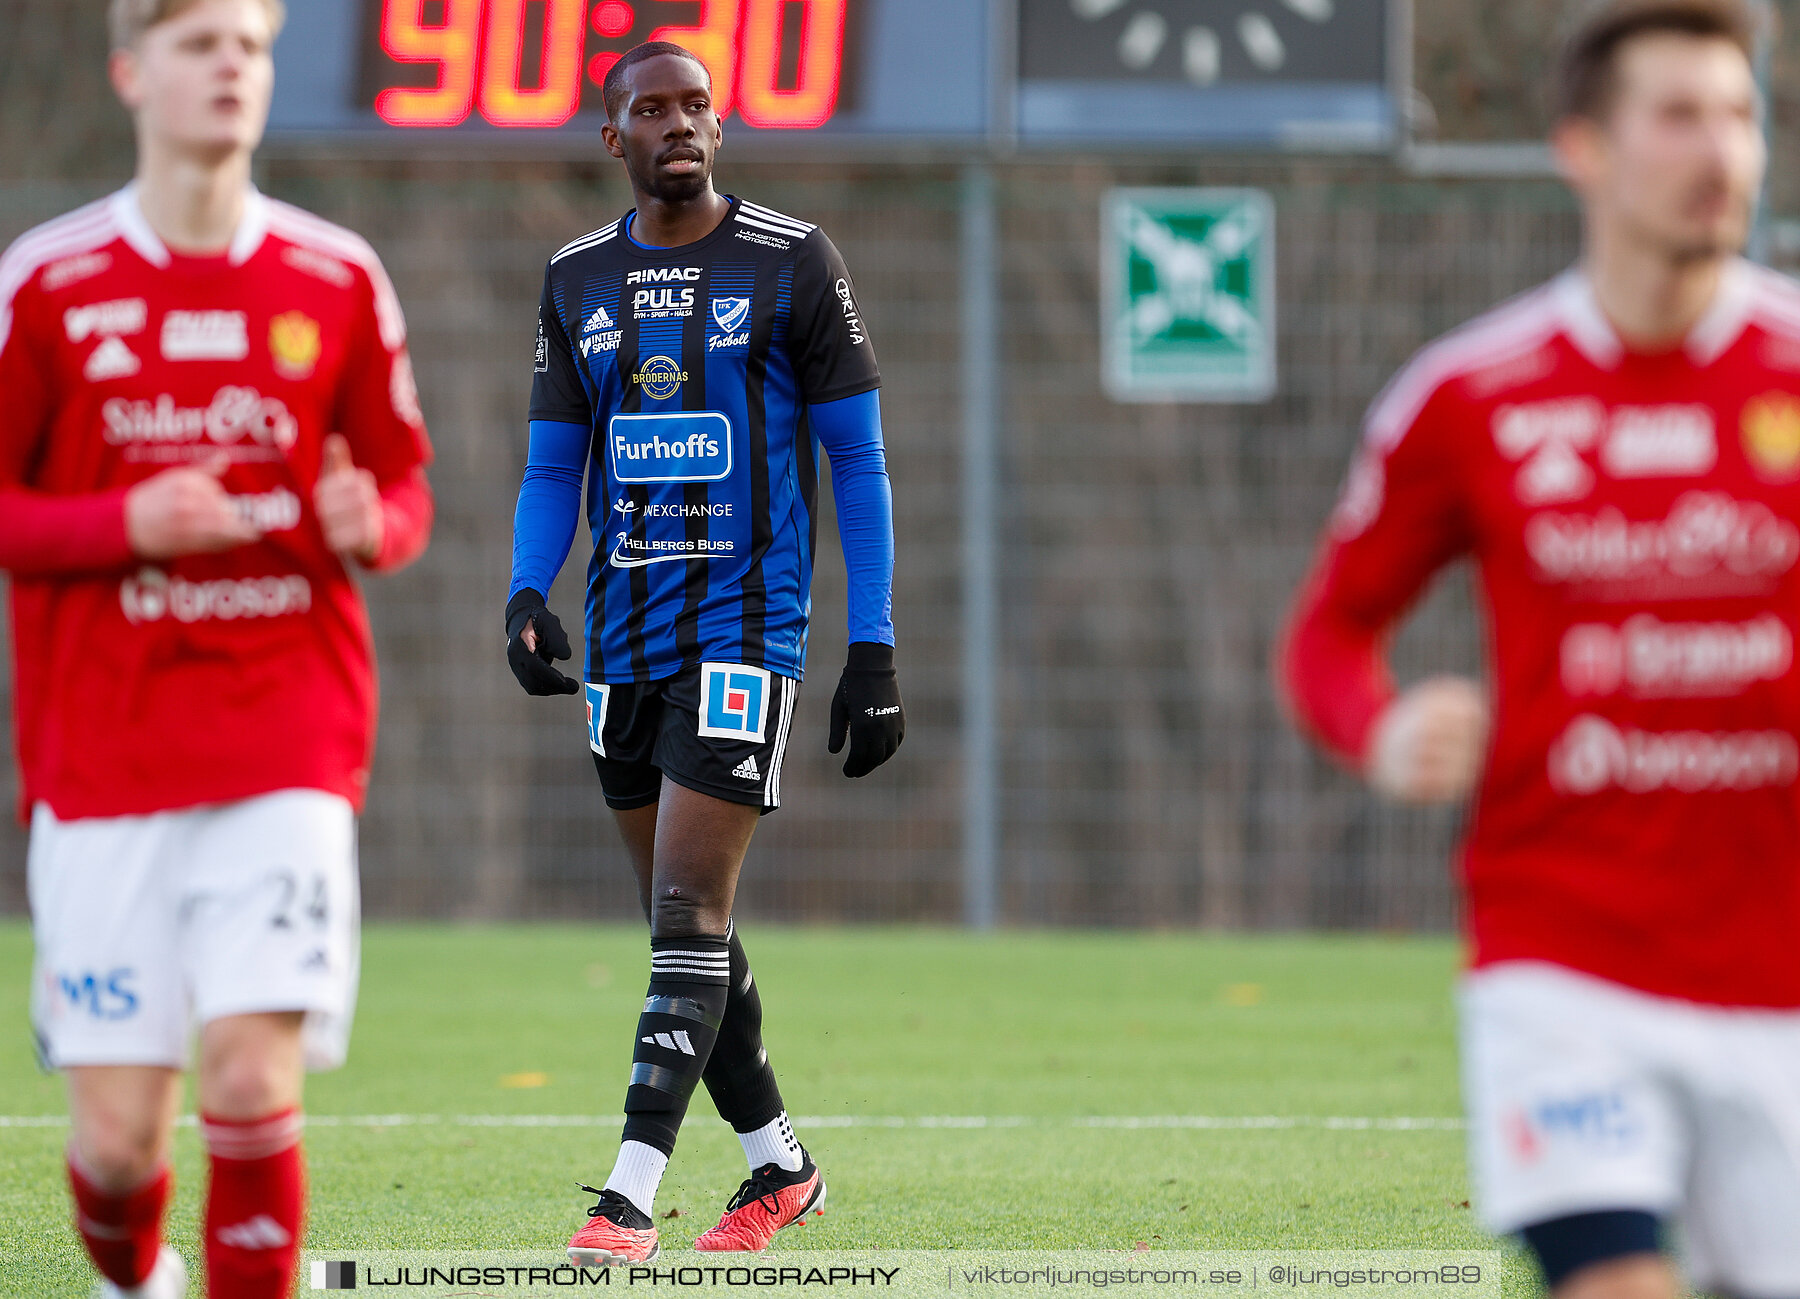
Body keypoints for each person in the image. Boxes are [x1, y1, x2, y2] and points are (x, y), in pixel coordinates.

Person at [1279, 2, 1800, 1295]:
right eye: (1679, 116)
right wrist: (1382, 726)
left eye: (1740, 116)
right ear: (1583, 146)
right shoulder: (1474, 394)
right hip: (1564, 960)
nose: (1722, 154)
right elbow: (1332, 630)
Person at [0, 1, 434, 1294]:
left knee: (250, 1070)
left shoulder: (335, 274)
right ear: (134, 73)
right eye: (201, 46)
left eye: (249, 47)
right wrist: (121, 519)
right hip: (104, 750)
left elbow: (403, 485)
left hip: (286, 727)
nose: (230, 70)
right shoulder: (51, 280)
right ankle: (138, 1274)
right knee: (120, 1143)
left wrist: (382, 521)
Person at [504, 40, 903, 1264]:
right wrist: (528, 589)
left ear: (719, 127)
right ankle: (780, 1168)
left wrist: (871, 646)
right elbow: (554, 463)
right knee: (688, 931)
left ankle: (626, 1196)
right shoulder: (576, 278)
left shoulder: (794, 263)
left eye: (697, 107)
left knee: (686, 905)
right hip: (626, 637)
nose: (680, 125)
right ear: (610, 137)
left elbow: (858, 463)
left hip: (748, 628)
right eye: (650, 110)